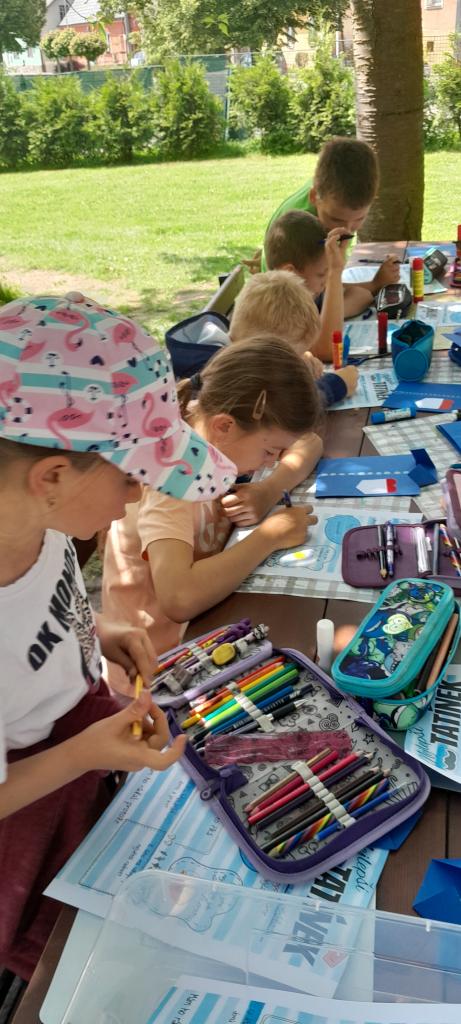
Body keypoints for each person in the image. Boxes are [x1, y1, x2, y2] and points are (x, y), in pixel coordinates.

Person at [0, 291, 236, 979]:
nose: (139, 497)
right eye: (134, 478)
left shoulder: (42, 526)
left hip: (82, 749)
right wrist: (85, 753)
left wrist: (96, 628)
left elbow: (32, 613)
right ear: (51, 477)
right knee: (73, 960)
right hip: (31, 805)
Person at [103, 336, 320, 679]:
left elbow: (311, 442)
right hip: (162, 670)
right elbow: (178, 598)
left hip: (211, 628)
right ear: (224, 426)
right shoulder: (170, 481)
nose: (273, 462)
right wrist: (269, 537)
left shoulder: (211, 440)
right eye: (269, 452)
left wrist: (267, 490)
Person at [222, 269, 357, 526]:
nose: (296, 365)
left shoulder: (250, 367)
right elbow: (296, 417)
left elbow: (310, 442)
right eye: (291, 358)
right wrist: (335, 384)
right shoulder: (232, 393)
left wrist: (269, 490)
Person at [246, 137, 399, 317]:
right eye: (336, 219)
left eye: (359, 218)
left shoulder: (329, 195)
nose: (347, 230)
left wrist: (373, 284)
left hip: (310, 289)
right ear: (314, 197)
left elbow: (325, 280)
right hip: (287, 306)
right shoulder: (301, 229)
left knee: (362, 295)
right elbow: (313, 288)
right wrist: (374, 285)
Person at [264, 211, 356, 362]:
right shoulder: (277, 306)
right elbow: (328, 351)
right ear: (290, 273)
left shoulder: (299, 297)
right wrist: (335, 272)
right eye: (321, 275)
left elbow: (362, 295)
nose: (326, 283)